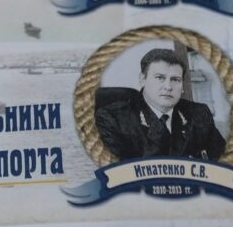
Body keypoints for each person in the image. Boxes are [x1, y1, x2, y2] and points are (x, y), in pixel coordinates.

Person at [93, 48, 226, 161]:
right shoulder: (113, 119)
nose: (168, 87)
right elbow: (117, 173)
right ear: (142, 79)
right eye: (160, 78)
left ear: (182, 85)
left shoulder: (198, 113)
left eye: (175, 80)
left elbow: (224, 161)